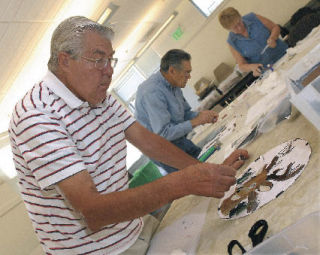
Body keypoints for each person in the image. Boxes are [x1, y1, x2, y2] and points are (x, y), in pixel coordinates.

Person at [8, 16, 248, 255]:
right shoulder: (36, 116)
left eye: (110, 59)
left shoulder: (97, 95)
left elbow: (147, 140)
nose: (109, 71)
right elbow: (93, 212)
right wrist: (184, 182)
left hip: (134, 226)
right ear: (65, 60)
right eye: (99, 60)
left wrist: (205, 171)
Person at [135, 49, 219, 173]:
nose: (189, 77)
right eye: (187, 73)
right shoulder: (152, 92)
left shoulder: (174, 85)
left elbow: (185, 114)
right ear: (172, 71)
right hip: (165, 151)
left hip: (179, 140)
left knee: (211, 161)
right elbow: (164, 133)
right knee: (199, 176)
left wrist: (202, 116)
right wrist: (196, 121)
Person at [218, 7, 288, 77]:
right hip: (268, 71)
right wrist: (252, 67)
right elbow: (242, 65)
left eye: (239, 22)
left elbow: (275, 27)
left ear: (240, 16)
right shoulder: (232, 42)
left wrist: (273, 37)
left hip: (284, 55)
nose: (239, 28)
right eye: (234, 27)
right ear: (228, 29)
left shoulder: (253, 18)